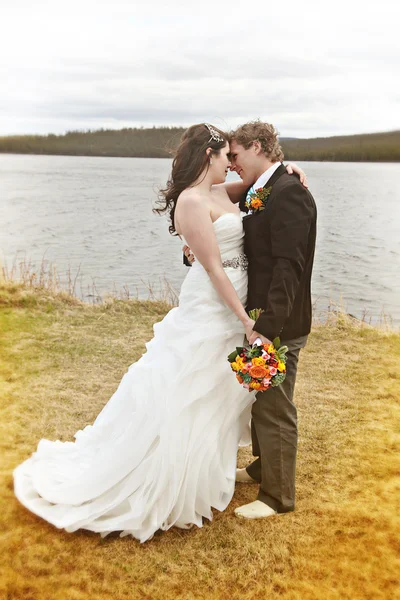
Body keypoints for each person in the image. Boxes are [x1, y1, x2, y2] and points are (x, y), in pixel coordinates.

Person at [13, 123, 256, 543]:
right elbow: (214, 268)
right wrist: (246, 319)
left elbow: (258, 184)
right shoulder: (191, 202)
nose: (230, 164)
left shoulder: (221, 193)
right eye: (224, 157)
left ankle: (205, 467)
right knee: (187, 383)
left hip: (233, 303)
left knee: (217, 386)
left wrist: (291, 172)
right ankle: (162, 475)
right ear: (208, 157)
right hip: (213, 304)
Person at [184, 121, 316, 520]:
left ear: (258, 147)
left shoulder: (289, 193)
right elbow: (231, 238)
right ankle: (261, 469)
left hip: (280, 323)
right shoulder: (262, 191)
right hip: (257, 318)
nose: (233, 163)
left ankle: (277, 498)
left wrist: (266, 329)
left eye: (236, 155)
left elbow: (288, 268)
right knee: (260, 401)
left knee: (275, 406)